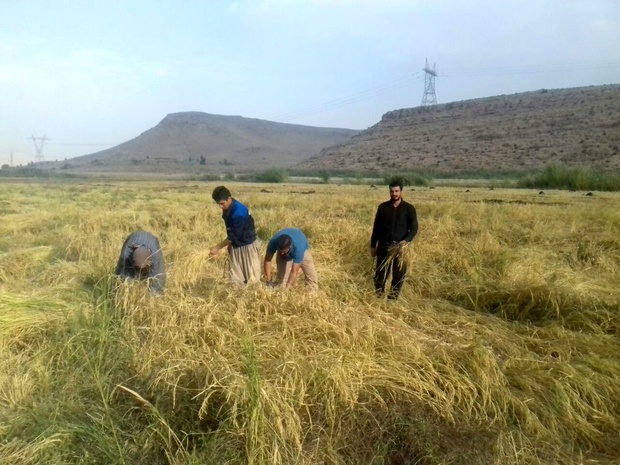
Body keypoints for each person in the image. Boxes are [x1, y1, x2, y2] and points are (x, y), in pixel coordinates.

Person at [370, 178, 418, 299]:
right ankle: (379, 299)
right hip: (383, 247)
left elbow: (414, 228)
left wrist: (406, 240)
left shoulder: (409, 209)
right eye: (392, 191)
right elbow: (376, 228)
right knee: (380, 276)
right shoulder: (382, 208)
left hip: (400, 249)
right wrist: (372, 245)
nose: (394, 194)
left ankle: (392, 300)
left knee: (398, 276)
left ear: (401, 191)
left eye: (396, 191)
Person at [209, 186, 261, 286]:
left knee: (252, 279)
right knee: (236, 280)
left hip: (247, 246)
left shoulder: (238, 212)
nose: (220, 207)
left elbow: (234, 235)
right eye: (218, 204)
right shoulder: (228, 208)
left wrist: (217, 248)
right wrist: (230, 245)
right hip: (237, 245)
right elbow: (231, 231)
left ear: (229, 199)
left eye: (222, 203)